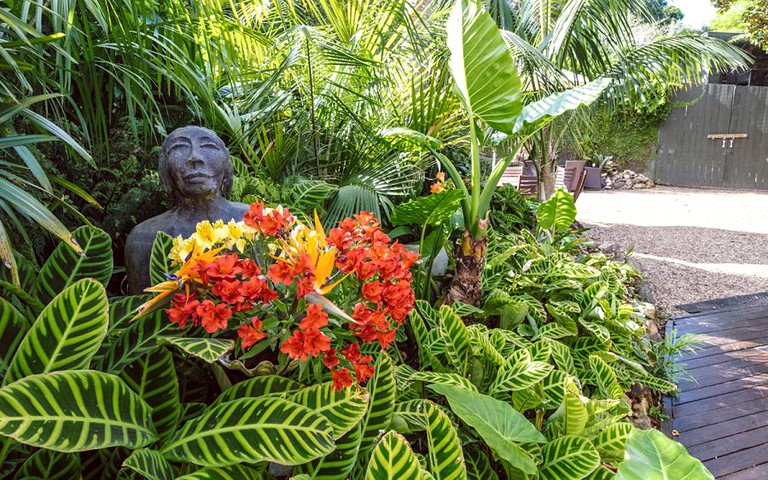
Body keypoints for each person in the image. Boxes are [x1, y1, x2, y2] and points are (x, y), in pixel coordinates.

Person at [125, 126, 249, 294]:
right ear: (165, 168)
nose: (194, 157)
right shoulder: (144, 238)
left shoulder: (255, 222)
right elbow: (143, 312)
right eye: (179, 148)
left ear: (226, 164)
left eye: (208, 147)